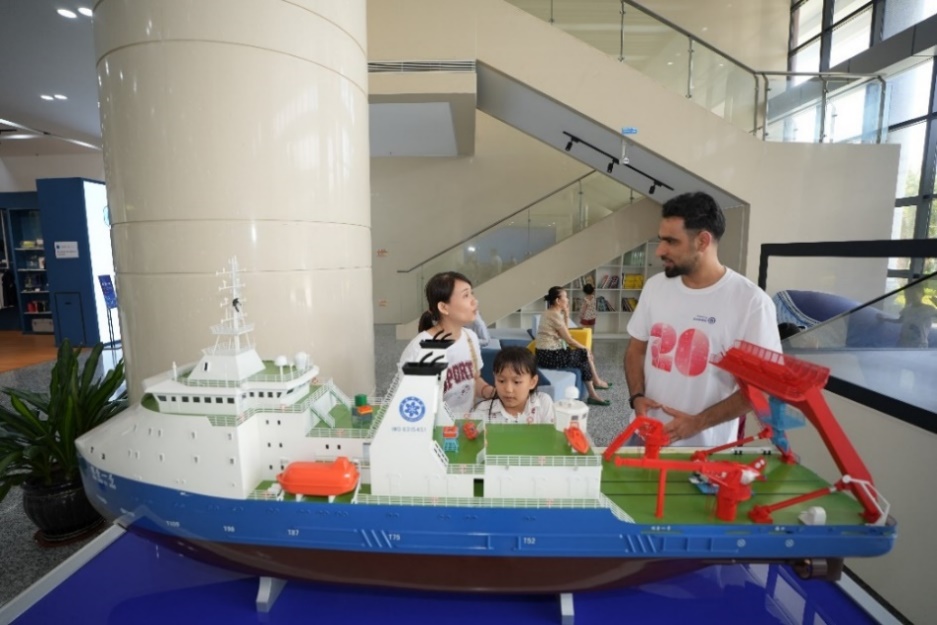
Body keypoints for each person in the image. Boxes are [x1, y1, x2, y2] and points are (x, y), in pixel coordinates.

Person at [624, 191, 781, 448]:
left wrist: (698, 423)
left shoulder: (752, 303)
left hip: (704, 449)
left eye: (671, 241)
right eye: (661, 240)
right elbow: (636, 349)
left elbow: (762, 387)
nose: (660, 250)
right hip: (643, 433)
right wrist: (637, 396)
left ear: (702, 241)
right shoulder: (655, 287)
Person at [398, 271, 496, 419]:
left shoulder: (470, 337)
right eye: (465, 295)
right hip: (433, 427)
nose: (474, 301)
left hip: (465, 424)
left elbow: (474, 380)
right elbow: (413, 404)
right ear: (444, 307)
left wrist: (491, 392)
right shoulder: (421, 350)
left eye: (472, 294)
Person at [535, 286, 611, 406]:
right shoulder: (554, 315)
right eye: (565, 297)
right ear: (557, 300)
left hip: (545, 354)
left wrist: (566, 314)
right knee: (584, 353)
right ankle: (595, 386)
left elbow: (565, 333)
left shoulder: (550, 313)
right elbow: (569, 339)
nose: (568, 299)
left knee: (583, 357)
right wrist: (585, 348)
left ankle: (594, 388)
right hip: (549, 356)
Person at [472, 347, 555, 424]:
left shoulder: (543, 403)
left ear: (532, 382)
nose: (508, 389)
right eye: (501, 381)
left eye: (516, 382)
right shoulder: (483, 411)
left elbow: (553, 434)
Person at [877, 281, 937, 347]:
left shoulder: (928, 309)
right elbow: (900, 320)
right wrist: (885, 319)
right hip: (903, 342)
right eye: (908, 295)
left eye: (914, 295)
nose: (910, 297)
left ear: (922, 294)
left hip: (919, 344)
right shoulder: (907, 309)